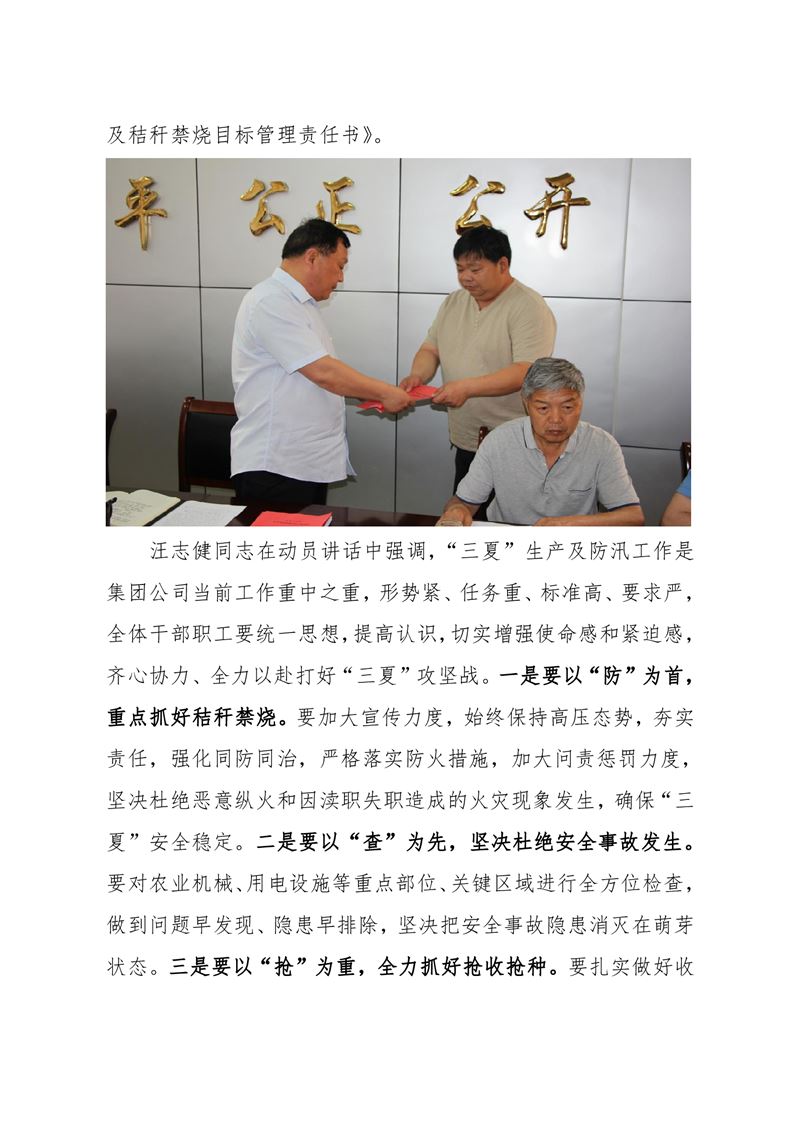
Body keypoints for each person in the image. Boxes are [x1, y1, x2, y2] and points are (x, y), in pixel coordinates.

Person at [230, 218, 412, 507]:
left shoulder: (300, 303)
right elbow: (323, 372)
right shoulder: (271, 301)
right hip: (276, 464)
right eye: (340, 266)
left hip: (302, 462)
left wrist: (371, 393)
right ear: (312, 257)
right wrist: (384, 392)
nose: (341, 278)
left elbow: (320, 371)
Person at [400, 226, 556, 492]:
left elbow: (525, 371)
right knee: (466, 508)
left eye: (475, 269)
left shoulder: (528, 306)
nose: (465, 277)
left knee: (505, 514)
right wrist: (417, 375)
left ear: (502, 265)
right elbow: (431, 349)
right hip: (468, 437)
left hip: (512, 441)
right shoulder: (454, 302)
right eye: (460, 269)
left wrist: (466, 388)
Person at [437, 357, 644, 527]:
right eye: (543, 408)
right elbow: (464, 502)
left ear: (580, 404)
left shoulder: (602, 445)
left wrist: (566, 525)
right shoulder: (498, 441)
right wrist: (456, 511)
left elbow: (632, 516)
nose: (556, 419)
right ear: (526, 404)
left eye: (567, 408)